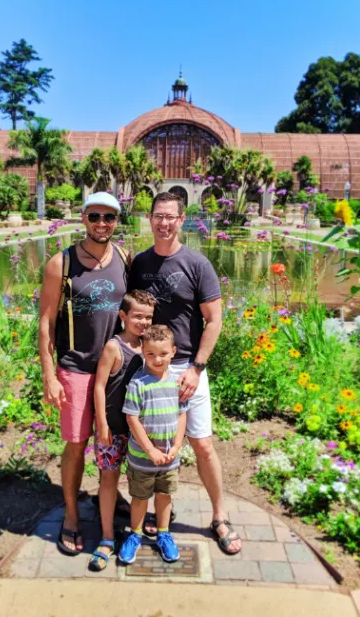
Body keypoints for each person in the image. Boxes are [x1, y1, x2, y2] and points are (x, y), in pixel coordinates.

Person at [129, 191, 242, 555]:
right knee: (151, 440)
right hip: (149, 368)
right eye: (158, 216)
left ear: (182, 220)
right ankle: (163, 508)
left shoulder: (197, 264)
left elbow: (214, 321)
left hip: (187, 366)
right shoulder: (140, 263)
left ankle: (220, 515)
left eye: (171, 217)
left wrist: (196, 368)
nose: (164, 223)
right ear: (150, 218)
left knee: (202, 442)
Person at [39, 191, 130, 556]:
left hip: (116, 370)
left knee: (112, 441)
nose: (102, 224)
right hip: (76, 368)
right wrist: (48, 373)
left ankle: (110, 492)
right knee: (77, 444)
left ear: (116, 221)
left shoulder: (124, 257)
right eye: (95, 216)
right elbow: (46, 321)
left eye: (109, 217)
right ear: (83, 218)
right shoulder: (61, 264)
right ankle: (72, 516)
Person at [88, 289, 157, 571]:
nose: (143, 322)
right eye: (137, 316)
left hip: (139, 430)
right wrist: (101, 423)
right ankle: (106, 536)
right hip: (113, 428)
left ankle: (138, 527)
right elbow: (100, 385)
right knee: (108, 479)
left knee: (141, 480)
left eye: (148, 318)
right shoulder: (114, 348)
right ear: (123, 316)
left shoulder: (149, 347)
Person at [118, 325, 189, 564]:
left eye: (163, 354)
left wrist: (177, 446)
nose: (157, 359)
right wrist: (150, 450)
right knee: (140, 498)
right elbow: (132, 418)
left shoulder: (177, 383)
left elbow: (182, 414)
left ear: (173, 352)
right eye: (150, 354)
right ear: (143, 353)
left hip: (169, 457)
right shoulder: (139, 383)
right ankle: (135, 535)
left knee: (164, 496)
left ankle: (164, 533)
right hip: (142, 458)